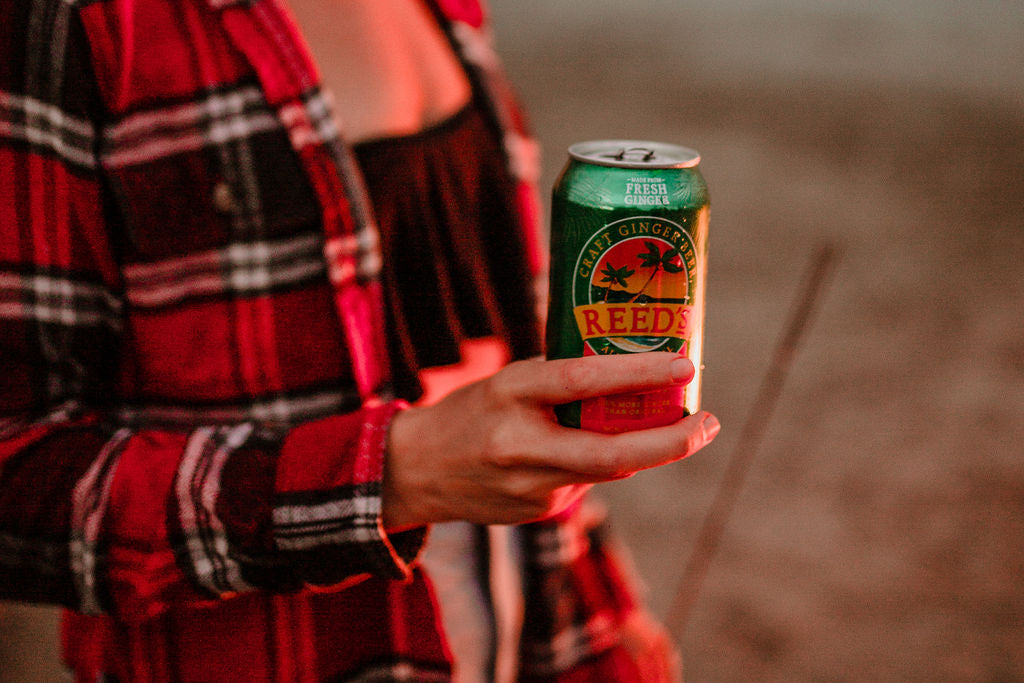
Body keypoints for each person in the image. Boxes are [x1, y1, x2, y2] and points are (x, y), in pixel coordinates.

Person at [0, 0, 720, 680]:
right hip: (271, 655)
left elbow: (502, 342)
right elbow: (17, 475)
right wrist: (391, 478)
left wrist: (602, 620)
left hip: (510, 626)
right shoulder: (69, 20)